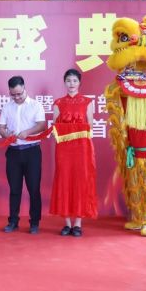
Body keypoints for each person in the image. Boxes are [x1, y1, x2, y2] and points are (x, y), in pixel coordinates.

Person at [49, 69, 98, 237]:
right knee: (64, 180)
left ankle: (77, 223)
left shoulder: (87, 102)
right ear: (64, 82)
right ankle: (67, 223)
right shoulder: (58, 103)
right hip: (64, 149)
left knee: (80, 180)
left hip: (82, 148)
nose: (71, 84)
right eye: (68, 81)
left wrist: (73, 128)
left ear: (79, 83)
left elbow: (90, 125)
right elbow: (55, 127)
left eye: (75, 81)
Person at [0, 76, 47, 234]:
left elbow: (42, 125)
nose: (17, 97)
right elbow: (1, 127)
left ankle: (34, 222)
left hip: (32, 151)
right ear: (9, 92)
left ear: (25, 88)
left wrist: (28, 132)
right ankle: (13, 221)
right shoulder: (7, 107)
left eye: (19, 94)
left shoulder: (35, 105)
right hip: (13, 152)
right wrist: (6, 134)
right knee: (14, 189)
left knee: (34, 189)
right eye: (13, 95)